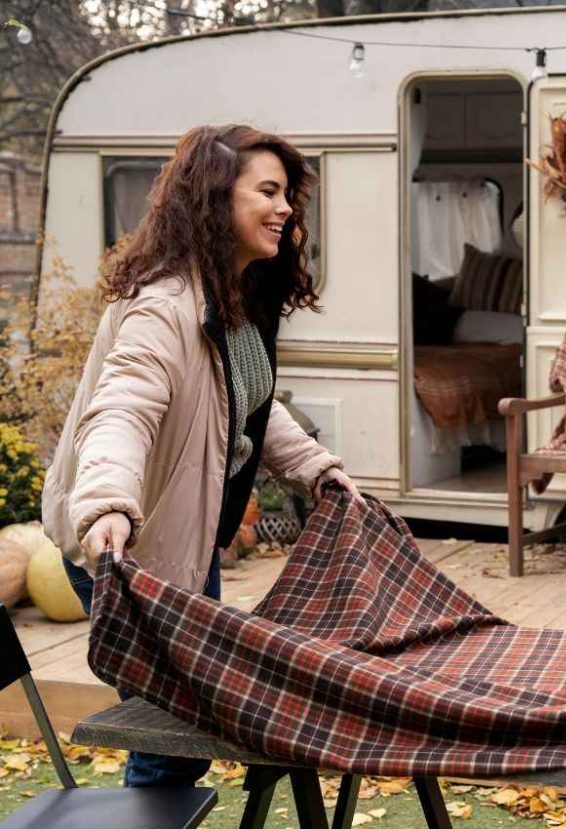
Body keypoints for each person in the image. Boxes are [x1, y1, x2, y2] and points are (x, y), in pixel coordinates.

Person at [41, 124, 361, 787]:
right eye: (267, 192)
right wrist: (104, 503)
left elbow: (247, 404)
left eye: (288, 195)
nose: (285, 210)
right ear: (217, 200)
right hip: (125, 551)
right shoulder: (163, 307)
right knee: (170, 743)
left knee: (184, 740)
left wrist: (316, 468)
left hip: (181, 550)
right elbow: (121, 409)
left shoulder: (230, 298)